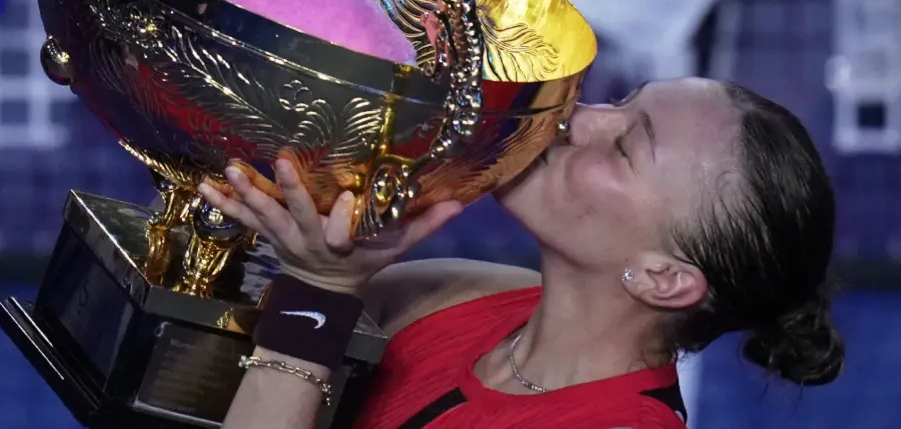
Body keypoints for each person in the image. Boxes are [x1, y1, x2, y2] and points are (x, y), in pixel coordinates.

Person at [197, 78, 845, 428]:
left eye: (624, 148)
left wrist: (320, 289)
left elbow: (307, 318)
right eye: (620, 102)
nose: (579, 117)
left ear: (663, 277)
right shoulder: (473, 296)